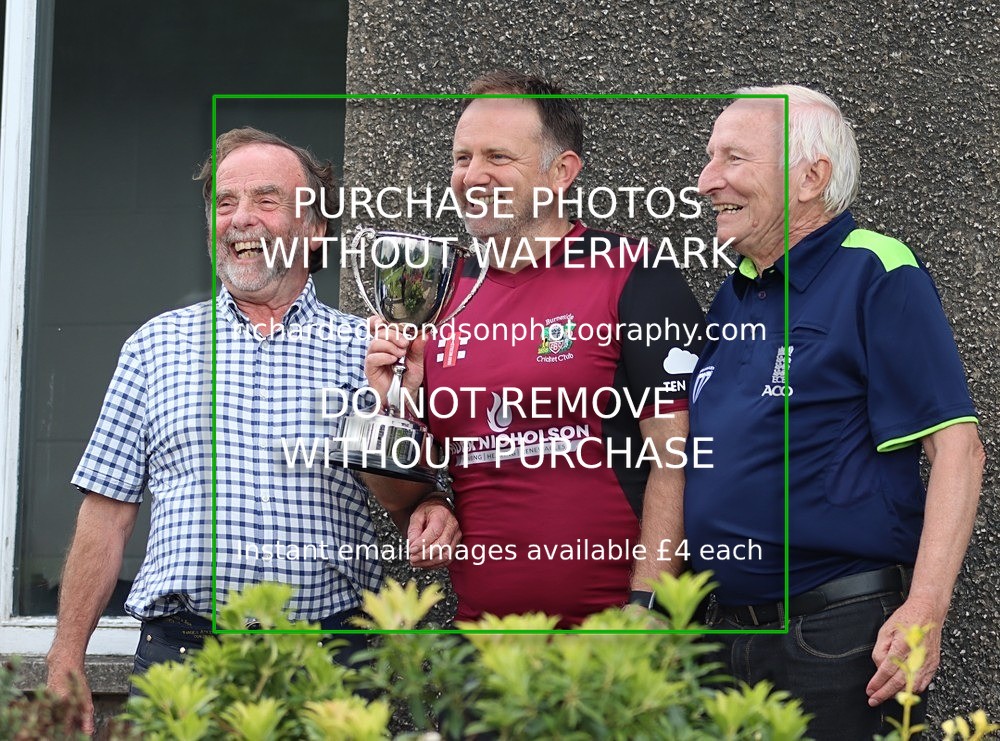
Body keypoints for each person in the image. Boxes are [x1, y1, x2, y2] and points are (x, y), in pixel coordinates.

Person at [45, 127, 459, 734]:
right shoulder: (153, 348)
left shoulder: (372, 348)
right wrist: (64, 656)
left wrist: (434, 500)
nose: (242, 219)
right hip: (182, 657)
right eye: (225, 202)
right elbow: (106, 517)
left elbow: (409, 504)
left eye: (267, 201)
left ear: (315, 232)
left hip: (329, 664)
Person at [685, 85, 985, 739]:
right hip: (720, 635)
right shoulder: (733, 296)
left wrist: (926, 607)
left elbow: (958, 449)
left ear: (811, 177)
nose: (707, 181)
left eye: (733, 159)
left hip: (834, 640)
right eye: (709, 159)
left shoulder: (876, 271)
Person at [366, 70, 706, 627]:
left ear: (561, 172)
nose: (472, 176)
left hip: (614, 645)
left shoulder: (633, 276)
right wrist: (394, 417)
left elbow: (680, 460)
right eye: (461, 158)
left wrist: (650, 611)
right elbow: (404, 492)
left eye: (498, 157)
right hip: (485, 653)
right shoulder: (439, 295)